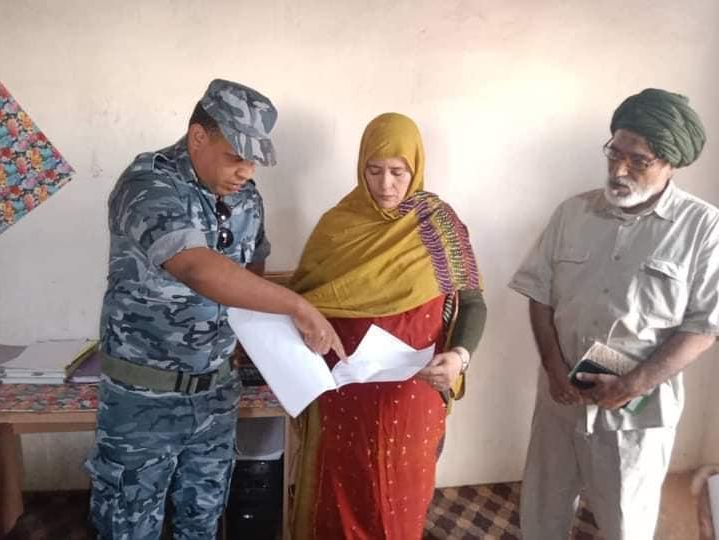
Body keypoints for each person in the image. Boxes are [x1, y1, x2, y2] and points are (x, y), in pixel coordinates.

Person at [85, 79, 344, 540]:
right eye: (235, 156)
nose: (246, 170)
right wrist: (297, 305)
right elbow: (197, 268)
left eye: (253, 160)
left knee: (202, 522)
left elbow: (252, 272)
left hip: (215, 397)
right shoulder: (148, 184)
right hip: (143, 400)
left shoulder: (247, 198)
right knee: (128, 526)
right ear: (198, 136)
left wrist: (263, 341)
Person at [509, 88, 719, 540]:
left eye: (638, 160)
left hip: (635, 414)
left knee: (626, 524)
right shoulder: (572, 213)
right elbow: (539, 293)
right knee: (542, 514)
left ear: (671, 163)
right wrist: (553, 366)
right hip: (561, 400)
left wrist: (632, 384)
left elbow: (704, 327)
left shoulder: (704, 228)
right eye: (614, 154)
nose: (619, 170)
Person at [289, 112, 487, 539]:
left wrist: (459, 356)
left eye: (398, 172)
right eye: (374, 170)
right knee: (339, 494)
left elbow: (472, 303)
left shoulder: (439, 226)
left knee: (400, 501)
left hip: (414, 394)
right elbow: (303, 301)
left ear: (416, 169)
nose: (385, 185)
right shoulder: (336, 226)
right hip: (344, 395)